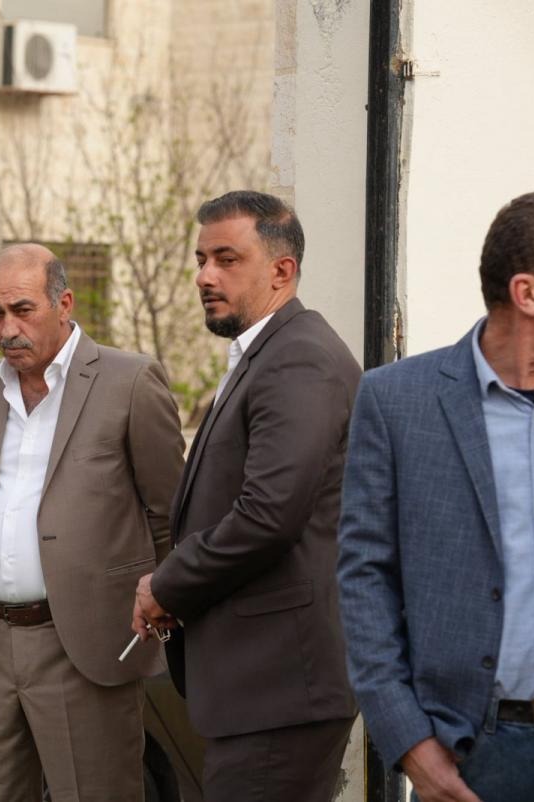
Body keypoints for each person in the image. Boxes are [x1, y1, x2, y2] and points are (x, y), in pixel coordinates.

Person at [338, 191, 534, 802]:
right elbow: (365, 580)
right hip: (477, 760)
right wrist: (408, 743)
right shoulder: (396, 401)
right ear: (527, 294)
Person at [131, 190, 360, 802]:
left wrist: (167, 585)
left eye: (227, 259)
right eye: (201, 259)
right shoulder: (267, 354)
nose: (205, 277)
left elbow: (268, 516)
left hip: (279, 687)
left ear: (282, 270)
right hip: (261, 686)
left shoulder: (298, 358)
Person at [0, 243, 185, 802]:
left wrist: (159, 599)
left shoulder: (130, 381)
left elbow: (170, 514)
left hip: (87, 642)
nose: (7, 329)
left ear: (64, 303)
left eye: (22, 310)